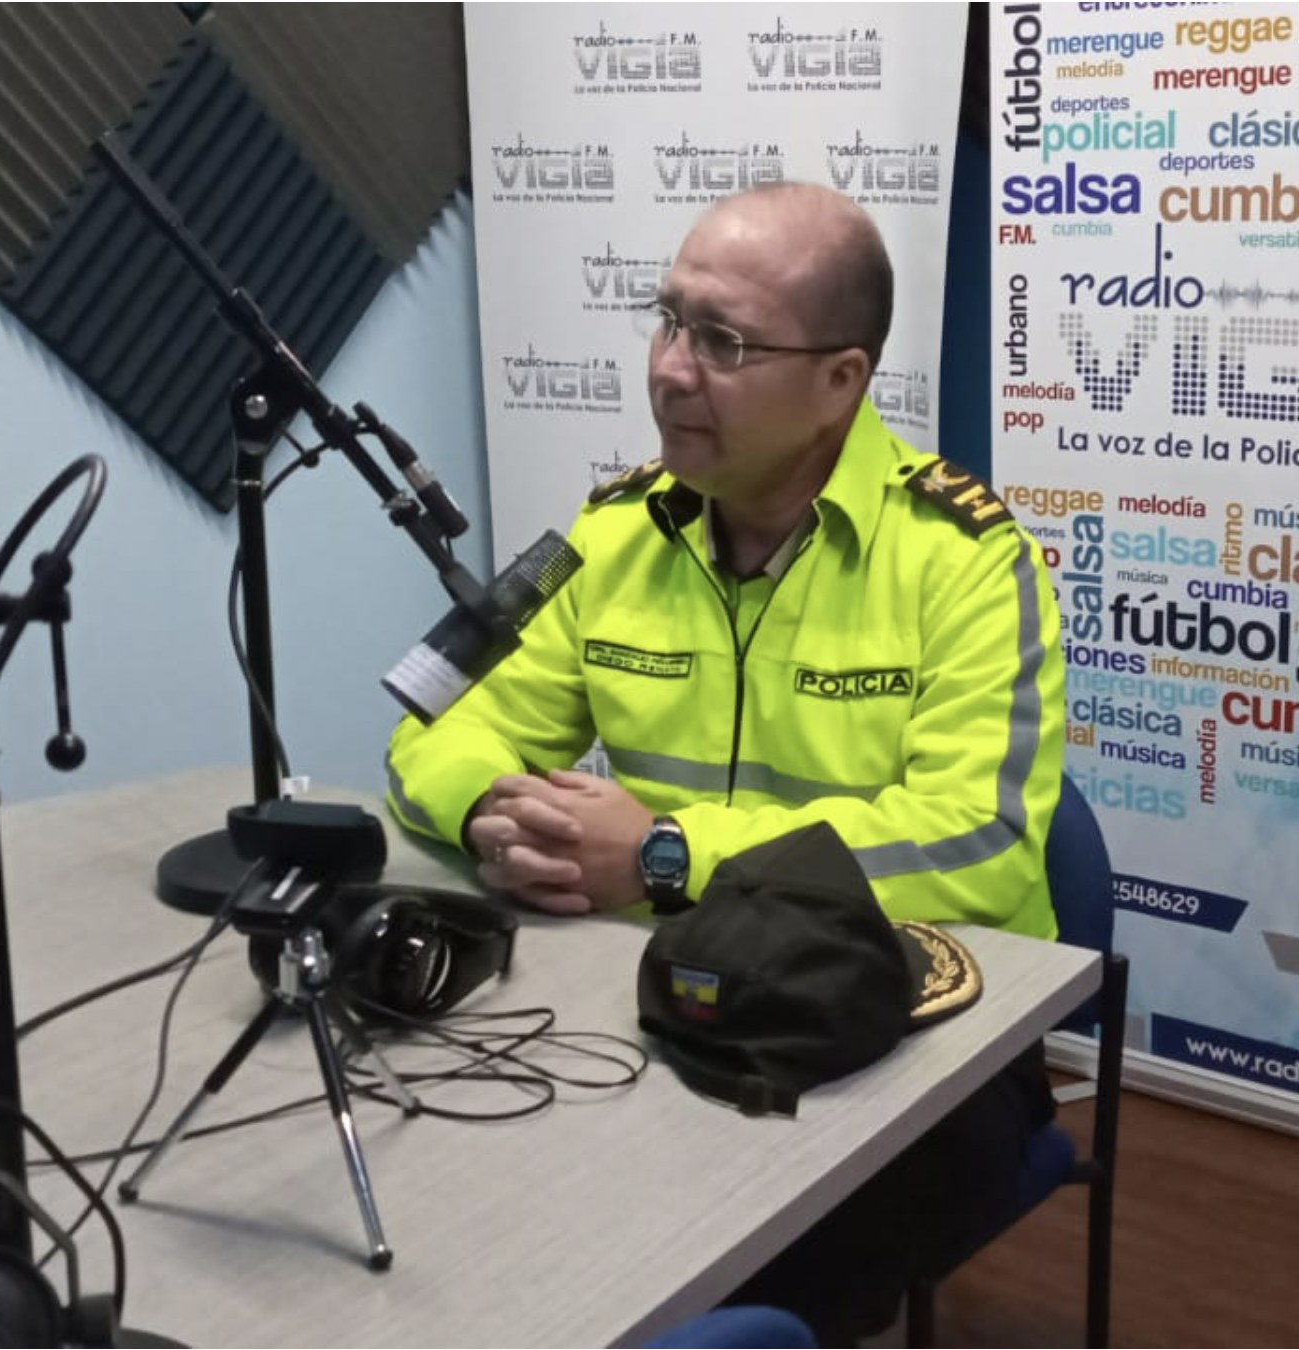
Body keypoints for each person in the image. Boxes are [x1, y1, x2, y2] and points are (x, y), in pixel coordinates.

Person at [385, 181, 1066, 1342]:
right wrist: (495, 812)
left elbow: (982, 848)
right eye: (667, 320)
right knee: (468, 1197)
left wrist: (664, 855)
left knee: (715, 1280)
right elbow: (430, 733)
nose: (669, 368)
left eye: (724, 342)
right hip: (664, 1000)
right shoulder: (612, 536)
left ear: (840, 380)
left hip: (911, 1029)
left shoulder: (964, 562)